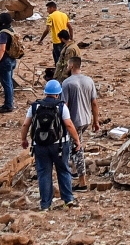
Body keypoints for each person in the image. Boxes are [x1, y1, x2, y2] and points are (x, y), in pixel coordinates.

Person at [20, 80, 80, 210]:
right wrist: (77, 140)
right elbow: (69, 125)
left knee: (44, 173)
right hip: (59, 145)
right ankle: (68, 200)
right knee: (63, 170)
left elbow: (26, 124)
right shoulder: (61, 106)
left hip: (39, 145)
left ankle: (45, 205)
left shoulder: (35, 106)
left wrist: (23, 139)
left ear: (45, 92)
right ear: (58, 94)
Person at [61, 56, 99, 192]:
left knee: (77, 149)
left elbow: (64, 106)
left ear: (71, 66)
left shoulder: (67, 83)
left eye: (67, 65)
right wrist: (96, 121)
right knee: (75, 145)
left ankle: (82, 182)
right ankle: (75, 170)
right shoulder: (89, 80)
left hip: (73, 120)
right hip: (86, 119)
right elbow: (94, 102)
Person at [0, 13, 19, 113]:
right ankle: (9, 103)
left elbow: (2, 49)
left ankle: (8, 105)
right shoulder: (11, 30)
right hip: (12, 60)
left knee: (6, 84)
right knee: (9, 83)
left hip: (5, 61)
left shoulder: (3, 33)